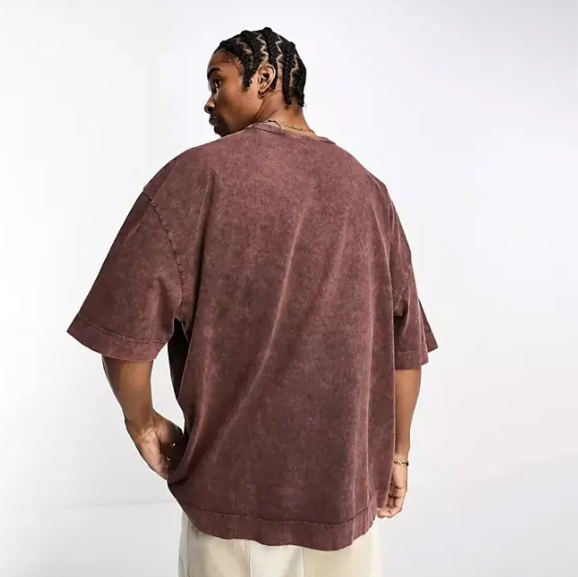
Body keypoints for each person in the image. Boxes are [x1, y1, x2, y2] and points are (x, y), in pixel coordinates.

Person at [68, 27, 437, 577]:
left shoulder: (196, 176)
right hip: (342, 504)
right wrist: (398, 455)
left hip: (228, 505)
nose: (208, 101)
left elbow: (124, 334)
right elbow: (404, 350)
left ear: (264, 79)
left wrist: (142, 424)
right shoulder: (369, 192)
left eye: (217, 82)